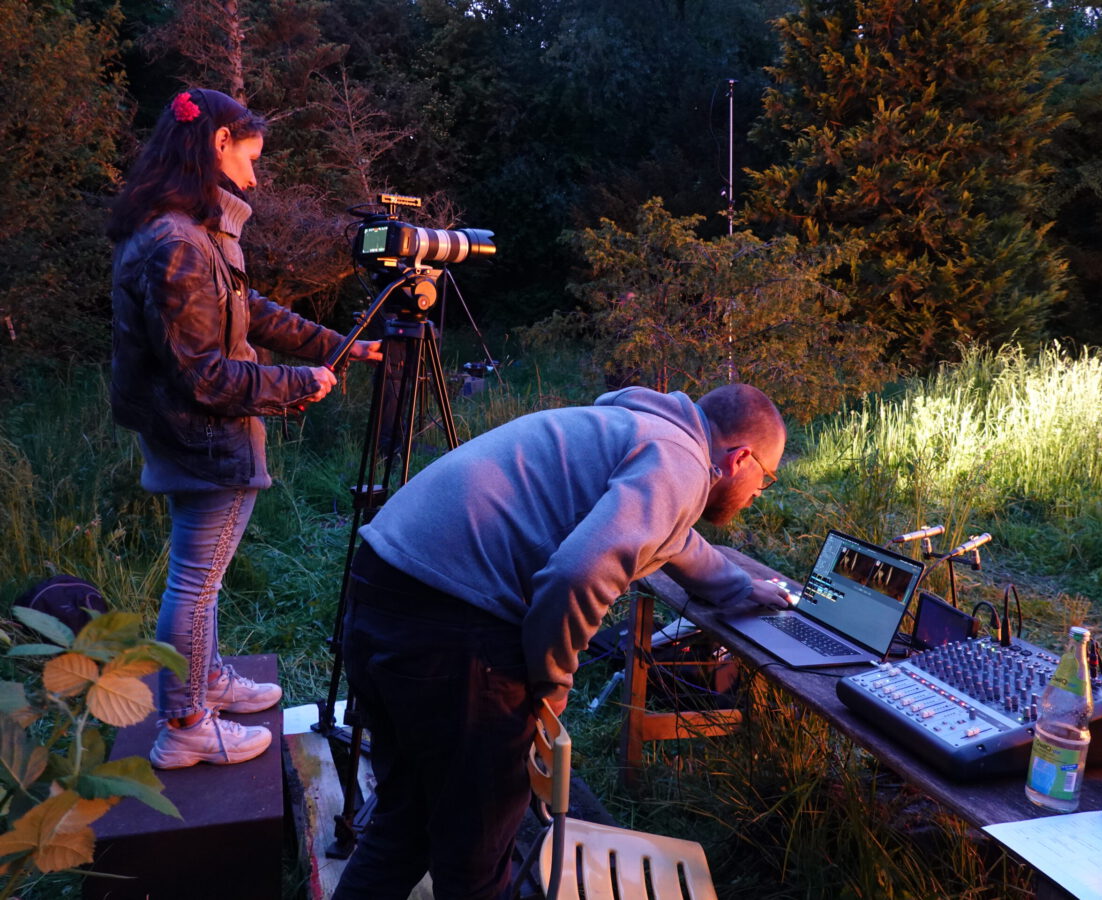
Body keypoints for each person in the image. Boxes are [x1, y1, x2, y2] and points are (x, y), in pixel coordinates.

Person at [333, 382, 792, 900]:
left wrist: (740, 587)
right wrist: (551, 683)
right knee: (474, 861)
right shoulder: (679, 459)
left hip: (381, 591)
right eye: (765, 479)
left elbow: (673, 536)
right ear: (740, 458)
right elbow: (576, 576)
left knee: (405, 824)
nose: (759, 493)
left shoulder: (635, 428)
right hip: (453, 628)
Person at [107, 88, 381, 769]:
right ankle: (186, 723)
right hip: (204, 435)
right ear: (217, 144)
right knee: (195, 583)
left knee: (200, 578)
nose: (255, 179)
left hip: (187, 431)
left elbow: (245, 307)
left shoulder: (185, 230)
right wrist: (298, 384)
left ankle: (205, 680)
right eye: (250, 159)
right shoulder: (178, 242)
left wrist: (337, 347)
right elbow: (203, 376)